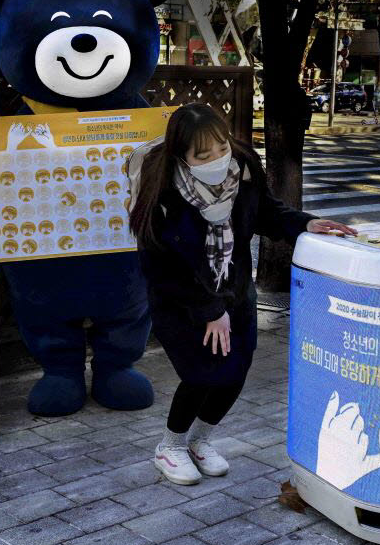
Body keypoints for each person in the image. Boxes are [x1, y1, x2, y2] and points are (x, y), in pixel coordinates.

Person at [129, 103, 357, 485]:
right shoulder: (163, 193)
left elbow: (266, 212)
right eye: (203, 155)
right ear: (182, 156)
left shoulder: (244, 171)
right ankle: (170, 447)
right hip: (185, 302)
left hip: (235, 294)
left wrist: (306, 223)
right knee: (202, 374)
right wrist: (207, 310)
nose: (217, 159)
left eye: (221, 147)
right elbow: (158, 267)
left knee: (235, 373)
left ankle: (200, 441)